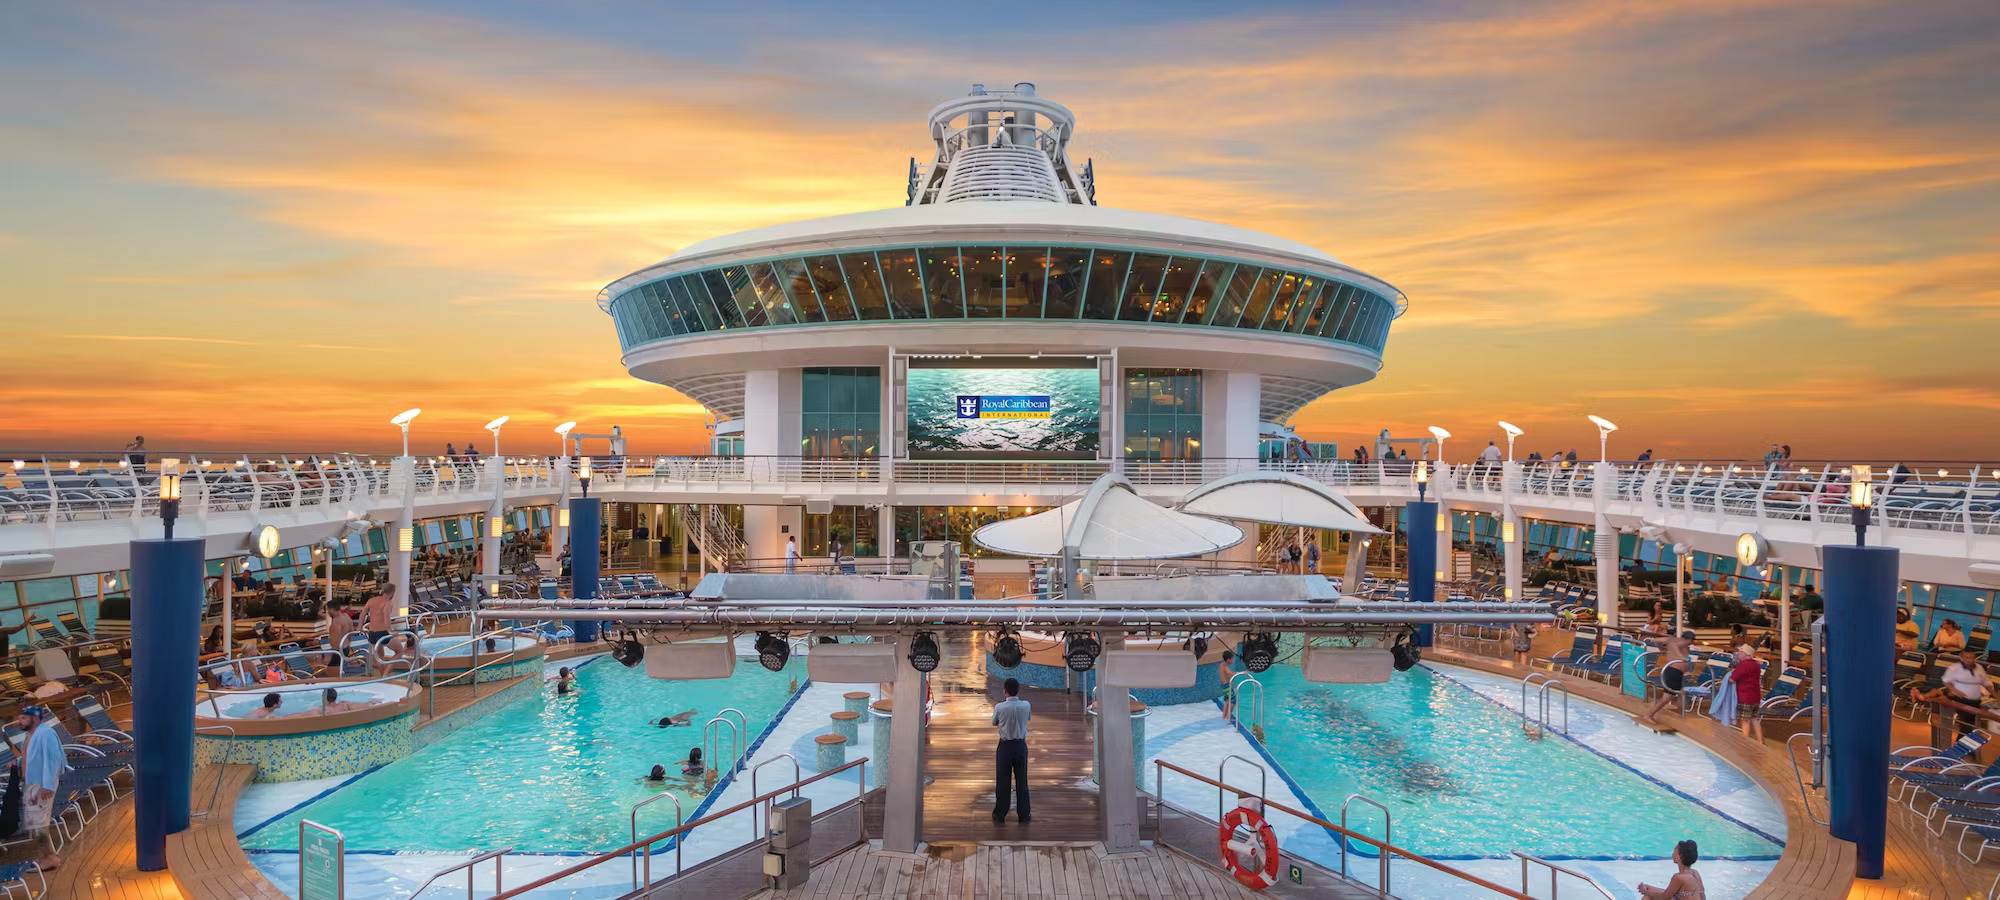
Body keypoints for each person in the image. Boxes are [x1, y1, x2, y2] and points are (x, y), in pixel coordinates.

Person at [15, 706, 65, 870]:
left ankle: (50, 858)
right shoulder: (31, 734)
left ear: (34, 718)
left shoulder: (45, 734)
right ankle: (45, 856)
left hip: (41, 785)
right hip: (32, 784)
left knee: (39, 824)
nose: (18, 721)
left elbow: (53, 760)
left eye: (23, 718)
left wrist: (48, 786)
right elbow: (30, 758)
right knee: (35, 823)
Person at [1913, 648, 1993, 738]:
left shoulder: (1979, 669)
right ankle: (1924, 698)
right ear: (1961, 658)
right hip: (1960, 697)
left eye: (1971, 657)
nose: (1969, 659)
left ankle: (1923, 698)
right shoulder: (1955, 668)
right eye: (1966, 657)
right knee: (1941, 695)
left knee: (1967, 724)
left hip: (1972, 699)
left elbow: (1987, 685)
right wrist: (1956, 691)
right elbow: (1947, 681)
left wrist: (1994, 695)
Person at [992, 676, 1031, 824]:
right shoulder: (1026, 705)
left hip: (1005, 747)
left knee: (1003, 781)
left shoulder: (999, 707)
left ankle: (1000, 814)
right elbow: (1028, 719)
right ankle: (1024, 814)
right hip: (1021, 746)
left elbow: (994, 722)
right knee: (1022, 782)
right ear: (1017, 690)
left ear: (1005, 691)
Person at [1640, 631, 1696, 727]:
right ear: (1689, 639)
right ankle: (1648, 715)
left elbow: (1656, 640)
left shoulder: (1672, 640)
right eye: (1692, 640)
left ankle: (1680, 713)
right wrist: (1681, 657)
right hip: (1673, 672)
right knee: (1667, 697)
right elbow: (1674, 645)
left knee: (1681, 693)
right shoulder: (1681, 642)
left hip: (1675, 672)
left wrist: (1662, 648)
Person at [1638, 839, 1705, 899]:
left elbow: (1664, 897)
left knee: (1647, 897)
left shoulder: (1678, 877)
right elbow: (1702, 895)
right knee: (1649, 889)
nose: (1672, 854)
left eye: (1674, 851)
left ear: (1679, 857)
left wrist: (1645, 891)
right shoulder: (1695, 873)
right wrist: (1648, 888)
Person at [1729, 646, 1764, 742]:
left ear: (1746, 654)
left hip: (1745, 697)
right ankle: (1760, 741)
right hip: (1755, 696)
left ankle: (1745, 743)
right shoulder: (1756, 665)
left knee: (1745, 720)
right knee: (1755, 719)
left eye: (1740, 651)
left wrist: (1731, 674)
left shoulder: (1744, 665)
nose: (1738, 653)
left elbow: (1732, 679)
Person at [363, 582, 394, 649]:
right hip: (382, 632)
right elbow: (386, 617)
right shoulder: (387, 603)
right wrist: (390, 631)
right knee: (399, 650)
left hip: (372, 633)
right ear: (392, 592)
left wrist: (360, 626)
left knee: (379, 654)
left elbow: (362, 614)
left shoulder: (371, 600)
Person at [1218, 649, 1239, 720]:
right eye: (1232, 659)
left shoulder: (1221, 664)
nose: (1232, 661)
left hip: (1224, 686)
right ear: (1228, 660)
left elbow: (1226, 674)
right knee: (1233, 700)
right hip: (1227, 686)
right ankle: (1228, 716)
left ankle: (1224, 716)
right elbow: (1229, 673)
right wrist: (1241, 673)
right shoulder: (1225, 666)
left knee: (1227, 700)